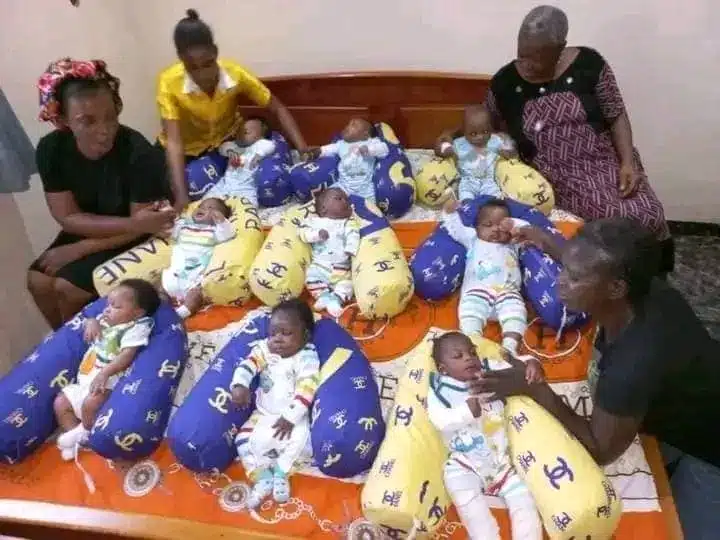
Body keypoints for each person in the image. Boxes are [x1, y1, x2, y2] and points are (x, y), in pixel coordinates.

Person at [473, 217, 720, 539]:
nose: (559, 281)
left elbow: (600, 449)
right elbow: (588, 263)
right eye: (565, 268)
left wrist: (535, 388)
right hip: (693, 397)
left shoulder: (631, 365)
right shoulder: (647, 288)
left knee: (683, 527)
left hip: (711, 451)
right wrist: (542, 239)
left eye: (573, 277)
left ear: (615, 288)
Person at [479, 5, 674, 274]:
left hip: (603, 161)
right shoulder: (505, 83)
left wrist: (628, 162)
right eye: (522, 55)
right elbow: (482, 123)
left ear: (560, 48)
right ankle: (617, 281)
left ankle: (653, 280)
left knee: (649, 213)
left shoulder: (590, 65)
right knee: (615, 223)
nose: (527, 64)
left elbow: (616, 114)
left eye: (536, 57)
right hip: (555, 174)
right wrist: (453, 135)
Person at [30, 59, 174, 331]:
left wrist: (80, 248)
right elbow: (67, 216)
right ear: (63, 120)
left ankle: (83, 344)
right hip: (93, 224)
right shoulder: (51, 149)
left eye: (111, 117)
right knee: (37, 281)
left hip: (132, 234)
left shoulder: (138, 151)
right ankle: (62, 341)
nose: (104, 130)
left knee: (66, 288)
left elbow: (146, 225)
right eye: (87, 121)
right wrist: (79, 243)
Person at [157, 9, 308, 211]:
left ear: (215, 52)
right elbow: (174, 143)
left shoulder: (236, 74)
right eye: (193, 68)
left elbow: (278, 108)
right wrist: (181, 197)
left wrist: (302, 148)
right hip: (185, 151)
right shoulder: (168, 82)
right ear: (181, 60)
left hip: (224, 144)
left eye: (208, 64)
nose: (202, 74)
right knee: (170, 192)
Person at [428, 331, 542, 540]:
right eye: (458, 356)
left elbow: (515, 364)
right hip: (465, 463)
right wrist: (466, 413)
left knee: (526, 503)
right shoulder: (441, 389)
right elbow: (439, 421)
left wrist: (531, 363)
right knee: (466, 500)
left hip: (503, 463)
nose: (469, 358)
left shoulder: (489, 369)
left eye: (472, 353)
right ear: (443, 369)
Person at [53, 279, 160, 460]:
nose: (108, 309)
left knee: (91, 403)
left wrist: (105, 373)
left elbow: (127, 354)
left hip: (107, 383)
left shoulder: (135, 327)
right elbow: (90, 320)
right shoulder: (105, 319)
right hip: (84, 382)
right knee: (60, 403)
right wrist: (91, 322)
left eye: (116, 307)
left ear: (137, 313)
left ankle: (83, 430)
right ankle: (77, 438)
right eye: (109, 304)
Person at [230, 299, 320, 508]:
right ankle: (262, 476)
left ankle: (281, 471)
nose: (277, 339)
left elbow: (307, 386)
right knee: (242, 440)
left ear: (305, 336)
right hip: (263, 414)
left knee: (303, 441)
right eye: (273, 333)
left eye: (286, 333)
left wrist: (291, 417)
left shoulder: (307, 356)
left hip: (293, 417)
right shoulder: (265, 349)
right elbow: (248, 364)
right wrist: (240, 385)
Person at [442, 196, 554, 361]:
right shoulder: (472, 239)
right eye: (488, 225)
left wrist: (513, 224)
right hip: (478, 290)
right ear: (477, 227)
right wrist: (449, 212)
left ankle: (509, 347)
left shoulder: (513, 243)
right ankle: (474, 342)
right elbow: (455, 228)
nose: (495, 229)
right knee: (469, 310)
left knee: (517, 312)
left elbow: (526, 229)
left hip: (507, 292)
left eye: (501, 226)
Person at [161, 197, 235, 319]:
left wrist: (222, 222)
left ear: (217, 217)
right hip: (174, 272)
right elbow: (167, 229)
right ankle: (161, 310)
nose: (203, 209)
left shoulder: (214, 231)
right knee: (160, 287)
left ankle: (182, 313)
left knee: (197, 296)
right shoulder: (184, 226)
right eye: (201, 206)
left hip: (195, 277)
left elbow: (228, 234)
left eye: (210, 208)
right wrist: (168, 212)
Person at [298, 187, 360, 317]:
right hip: (320, 265)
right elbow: (302, 233)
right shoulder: (314, 222)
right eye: (339, 199)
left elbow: (353, 234)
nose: (345, 202)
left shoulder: (347, 222)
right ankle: (323, 296)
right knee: (310, 278)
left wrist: (350, 249)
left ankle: (336, 299)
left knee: (349, 285)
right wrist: (316, 235)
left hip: (342, 267)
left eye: (346, 200)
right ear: (323, 208)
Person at [435, 105, 516, 200]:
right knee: (466, 201)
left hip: (489, 181)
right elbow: (440, 151)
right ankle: (468, 205)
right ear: (464, 132)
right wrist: (445, 148)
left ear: (491, 129)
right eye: (473, 134)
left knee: (495, 201)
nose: (480, 137)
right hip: (468, 182)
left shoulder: (495, 140)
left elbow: (512, 150)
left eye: (485, 131)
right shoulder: (459, 144)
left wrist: (507, 152)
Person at [305, 118, 389, 204]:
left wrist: (369, 149)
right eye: (348, 124)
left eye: (354, 125)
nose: (348, 127)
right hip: (343, 186)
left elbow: (384, 149)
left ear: (365, 135)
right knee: (325, 197)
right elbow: (326, 150)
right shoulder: (341, 144)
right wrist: (314, 153)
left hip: (365, 189)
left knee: (370, 206)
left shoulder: (371, 142)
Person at [203, 117, 276, 205]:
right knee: (206, 201)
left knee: (247, 206)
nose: (243, 132)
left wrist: (259, 154)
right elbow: (222, 147)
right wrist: (230, 152)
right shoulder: (234, 146)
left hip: (245, 188)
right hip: (224, 185)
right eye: (241, 131)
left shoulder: (259, 146)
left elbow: (270, 145)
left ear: (261, 137)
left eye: (248, 132)